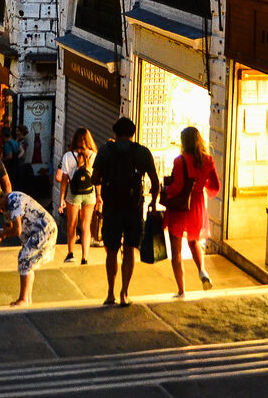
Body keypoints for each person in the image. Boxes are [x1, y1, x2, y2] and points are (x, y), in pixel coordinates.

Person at [92, 116, 159, 307]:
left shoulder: (106, 150)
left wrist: (106, 177)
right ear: (133, 133)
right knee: (129, 249)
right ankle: (125, 293)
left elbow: (95, 179)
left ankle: (110, 293)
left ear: (115, 132)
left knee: (111, 251)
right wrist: (153, 202)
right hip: (134, 208)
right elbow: (155, 182)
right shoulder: (142, 152)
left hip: (112, 207)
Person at [162, 126, 221, 297]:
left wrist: (166, 189)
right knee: (194, 241)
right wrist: (200, 187)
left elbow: (178, 187)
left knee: (176, 250)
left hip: (180, 208)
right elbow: (215, 186)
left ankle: (181, 290)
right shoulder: (208, 161)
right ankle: (202, 271)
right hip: (197, 206)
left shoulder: (180, 161)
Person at [0, 182, 57, 307]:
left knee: (24, 258)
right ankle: (27, 299)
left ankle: (23, 298)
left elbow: (17, 230)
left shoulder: (13, 201)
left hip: (44, 230)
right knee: (27, 263)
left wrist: (0, 234)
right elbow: (9, 228)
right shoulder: (5, 206)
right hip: (36, 232)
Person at [57, 127, 98, 264]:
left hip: (74, 193)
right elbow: (98, 179)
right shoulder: (94, 155)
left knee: (72, 224)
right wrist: (99, 196)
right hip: (89, 193)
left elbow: (64, 179)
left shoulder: (68, 156)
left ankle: (70, 253)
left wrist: (62, 198)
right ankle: (85, 257)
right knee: (86, 226)